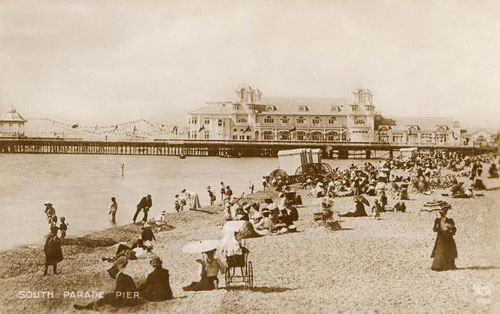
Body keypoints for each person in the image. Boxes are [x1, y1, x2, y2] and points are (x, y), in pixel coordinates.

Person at [74, 256, 141, 310]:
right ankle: (89, 306)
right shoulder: (123, 276)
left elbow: (118, 294)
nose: (110, 274)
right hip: (130, 298)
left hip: (125, 300)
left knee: (105, 298)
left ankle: (88, 307)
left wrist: (108, 296)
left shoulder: (121, 278)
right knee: (105, 297)